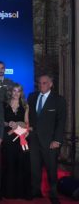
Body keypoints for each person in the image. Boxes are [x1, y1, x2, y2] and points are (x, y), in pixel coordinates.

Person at [28, 75, 66, 204]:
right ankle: (35, 190)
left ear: (51, 84)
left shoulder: (58, 100)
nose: (41, 85)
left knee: (51, 169)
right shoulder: (32, 97)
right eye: (39, 83)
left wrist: (57, 140)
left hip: (50, 142)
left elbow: (61, 122)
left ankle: (53, 194)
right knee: (34, 168)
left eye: (44, 83)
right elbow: (29, 118)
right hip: (33, 141)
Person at [1, 84, 32, 199]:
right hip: (9, 137)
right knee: (9, 163)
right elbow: (1, 121)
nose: (16, 93)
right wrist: (8, 123)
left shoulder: (25, 105)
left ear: (21, 93)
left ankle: (21, 193)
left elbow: (26, 122)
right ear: (11, 92)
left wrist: (27, 130)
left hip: (21, 138)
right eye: (14, 90)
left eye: (18, 91)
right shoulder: (4, 105)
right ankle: (9, 192)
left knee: (21, 163)